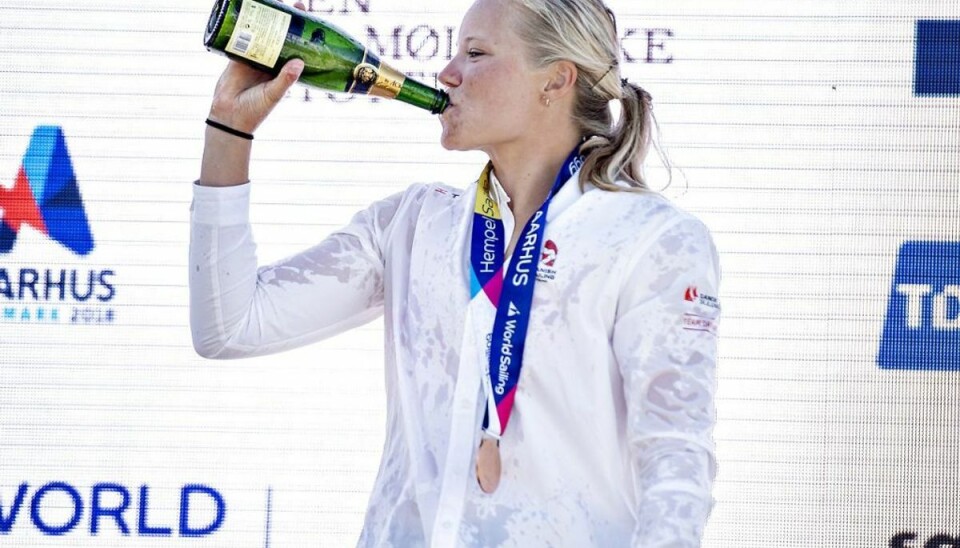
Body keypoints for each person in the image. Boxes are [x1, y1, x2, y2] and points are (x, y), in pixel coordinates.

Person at [189, 0, 722, 546]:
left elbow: (675, 459)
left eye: (476, 53)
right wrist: (230, 130)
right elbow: (229, 327)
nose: (446, 74)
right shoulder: (414, 223)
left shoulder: (649, 237)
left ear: (555, 81)